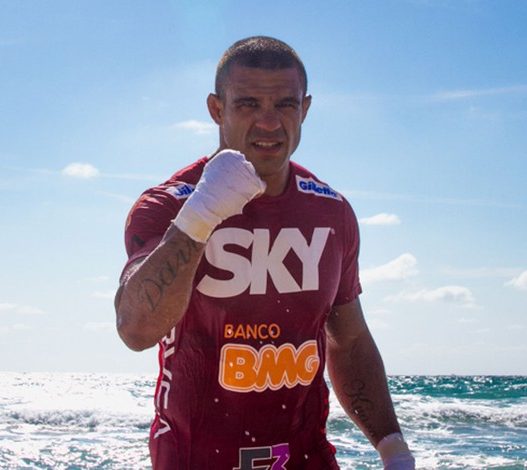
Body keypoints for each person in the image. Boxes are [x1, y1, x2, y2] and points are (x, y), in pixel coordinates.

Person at [115, 36, 415, 470]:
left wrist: (392, 447)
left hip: (305, 457)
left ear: (305, 109)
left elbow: (348, 340)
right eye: (248, 104)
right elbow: (136, 330)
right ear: (217, 109)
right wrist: (200, 216)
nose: (270, 123)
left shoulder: (331, 212)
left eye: (285, 105)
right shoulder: (168, 205)